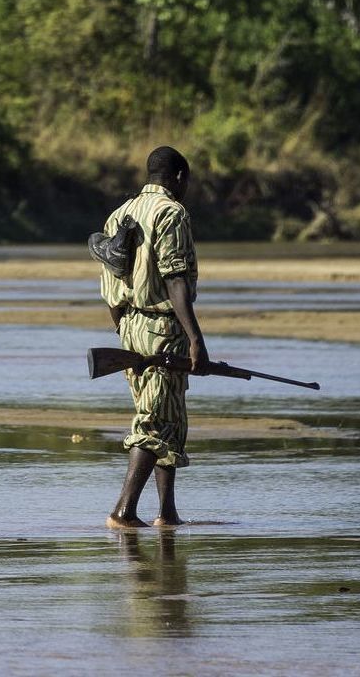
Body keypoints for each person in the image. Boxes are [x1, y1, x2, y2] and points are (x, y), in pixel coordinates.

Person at [98, 145, 209, 529]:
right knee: (153, 420)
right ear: (179, 177)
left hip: (129, 327)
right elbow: (175, 277)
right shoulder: (171, 213)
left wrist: (125, 331)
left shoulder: (120, 214)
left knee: (170, 418)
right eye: (187, 181)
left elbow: (110, 288)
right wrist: (195, 338)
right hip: (162, 328)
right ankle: (124, 512)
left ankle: (167, 512)